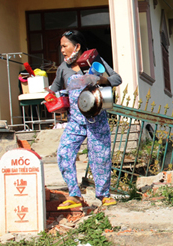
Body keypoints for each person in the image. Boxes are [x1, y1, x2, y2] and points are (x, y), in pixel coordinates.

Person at [50, 30, 122, 210]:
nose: (62, 50)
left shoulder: (94, 61)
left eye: (65, 46)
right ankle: (74, 194)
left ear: (77, 46)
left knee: (101, 157)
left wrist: (102, 79)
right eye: (61, 47)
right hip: (75, 121)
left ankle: (104, 195)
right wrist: (51, 97)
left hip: (96, 118)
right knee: (64, 154)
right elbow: (54, 90)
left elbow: (117, 78)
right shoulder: (63, 68)